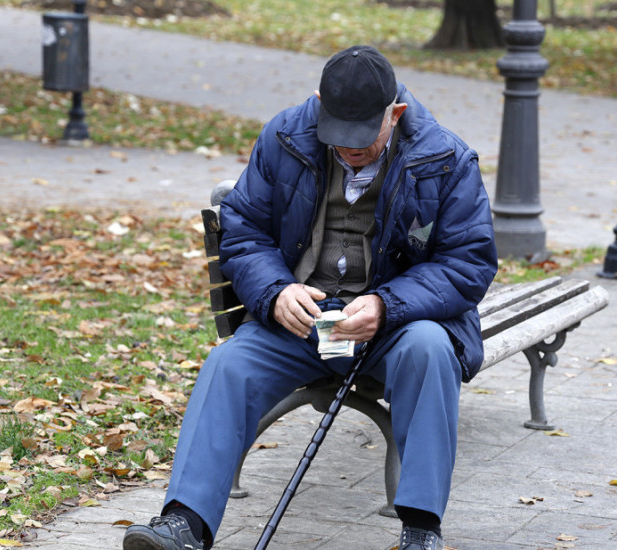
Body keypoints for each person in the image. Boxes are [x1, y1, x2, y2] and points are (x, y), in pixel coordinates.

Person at [123, 44, 497, 550]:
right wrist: (276, 292)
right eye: (338, 137)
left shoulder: (446, 158)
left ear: (396, 113)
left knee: (431, 351)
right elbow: (245, 232)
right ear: (319, 102)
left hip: (394, 326)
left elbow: (467, 263)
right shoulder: (283, 136)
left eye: (362, 140)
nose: (348, 151)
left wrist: (387, 305)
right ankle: (184, 523)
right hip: (301, 321)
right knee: (229, 365)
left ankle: (420, 530)